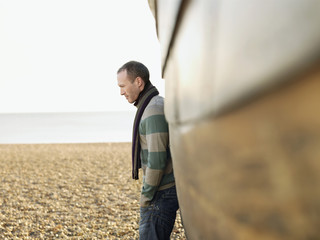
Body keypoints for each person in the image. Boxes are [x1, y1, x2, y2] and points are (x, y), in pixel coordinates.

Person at [117, 61, 179, 239]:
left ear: (138, 82)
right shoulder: (152, 104)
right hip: (162, 191)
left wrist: (146, 195)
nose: (121, 92)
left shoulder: (152, 110)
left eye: (123, 86)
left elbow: (157, 159)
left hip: (161, 193)